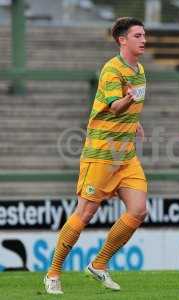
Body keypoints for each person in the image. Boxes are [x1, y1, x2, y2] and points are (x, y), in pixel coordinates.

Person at [44, 17, 148, 294]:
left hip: (125, 156)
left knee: (138, 211)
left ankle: (99, 265)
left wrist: (134, 121)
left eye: (144, 35)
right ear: (122, 40)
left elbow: (124, 109)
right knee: (85, 213)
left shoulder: (139, 70)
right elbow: (115, 106)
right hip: (101, 154)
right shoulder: (112, 70)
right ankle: (53, 273)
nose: (143, 40)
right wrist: (127, 101)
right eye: (137, 35)